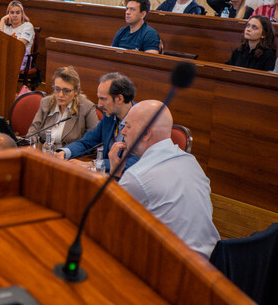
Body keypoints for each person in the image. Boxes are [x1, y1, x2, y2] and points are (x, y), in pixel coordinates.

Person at [116, 100, 220, 257]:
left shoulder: (137, 176)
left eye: (128, 126)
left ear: (146, 134)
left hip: (173, 266)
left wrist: (115, 173)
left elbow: (110, 225)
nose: (123, 132)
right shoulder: (191, 162)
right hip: (212, 261)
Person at [57, 72, 138, 173]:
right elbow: (87, 142)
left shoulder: (141, 120)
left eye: (103, 99)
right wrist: (63, 153)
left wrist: (93, 164)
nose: (99, 105)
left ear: (119, 99)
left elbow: (135, 161)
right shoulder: (109, 117)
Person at [27, 66, 99, 149]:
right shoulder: (46, 103)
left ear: (76, 91)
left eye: (66, 91)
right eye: (57, 89)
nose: (60, 95)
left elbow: (93, 140)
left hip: (70, 155)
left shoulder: (87, 108)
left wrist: (66, 152)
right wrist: (33, 145)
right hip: (44, 153)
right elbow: (33, 132)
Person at [0, 1, 35, 71]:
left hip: (21, 57)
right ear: (8, 14)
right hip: (6, 56)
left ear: (22, 14)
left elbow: (19, 45)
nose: (15, 15)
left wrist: (4, 43)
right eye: (12, 13)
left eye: (18, 12)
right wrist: (2, 20)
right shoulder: (5, 26)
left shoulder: (28, 26)